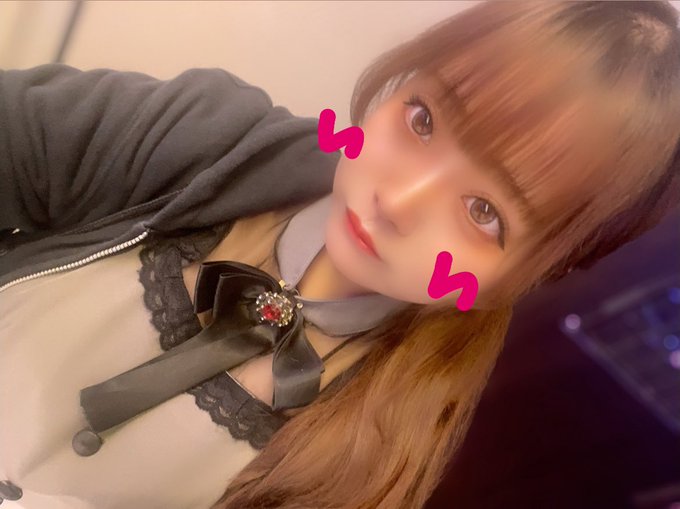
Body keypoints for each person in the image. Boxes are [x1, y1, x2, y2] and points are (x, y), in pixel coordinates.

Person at [1, 1, 679, 508]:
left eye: (484, 212)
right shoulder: (207, 139)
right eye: (423, 118)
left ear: (536, 271)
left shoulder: (376, 461)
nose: (398, 198)